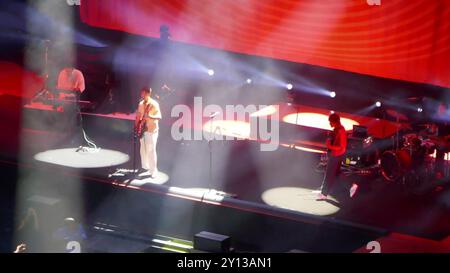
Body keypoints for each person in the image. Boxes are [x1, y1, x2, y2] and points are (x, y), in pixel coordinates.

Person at [317, 113, 357, 200]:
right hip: (336, 155)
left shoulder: (341, 131)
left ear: (335, 121)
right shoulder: (337, 129)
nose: (329, 124)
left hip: (336, 155)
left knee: (329, 174)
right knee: (337, 173)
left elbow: (342, 147)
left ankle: (324, 194)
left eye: (330, 122)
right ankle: (351, 186)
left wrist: (329, 146)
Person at [135, 87, 162, 177]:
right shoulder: (141, 104)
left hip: (151, 130)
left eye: (144, 93)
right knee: (143, 149)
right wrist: (136, 126)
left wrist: (150, 116)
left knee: (151, 150)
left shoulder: (154, 104)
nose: (142, 95)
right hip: (143, 129)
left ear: (148, 93)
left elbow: (159, 116)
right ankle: (145, 166)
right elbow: (138, 115)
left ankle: (153, 170)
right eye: (141, 93)